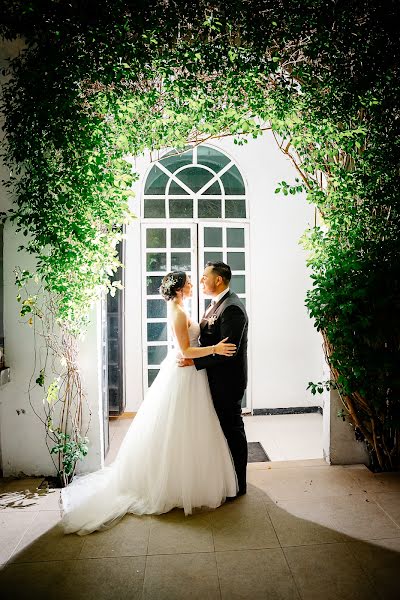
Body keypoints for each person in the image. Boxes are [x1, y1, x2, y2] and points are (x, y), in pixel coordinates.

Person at [61, 270, 238, 535]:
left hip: (192, 373)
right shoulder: (177, 312)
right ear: (179, 288)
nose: (193, 284)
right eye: (190, 282)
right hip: (184, 373)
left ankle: (185, 480)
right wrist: (214, 349)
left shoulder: (182, 306)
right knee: (179, 428)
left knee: (191, 428)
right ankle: (172, 485)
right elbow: (186, 350)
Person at [178, 262, 248, 496]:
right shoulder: (215, 304)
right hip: (214, 378)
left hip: (227, 381)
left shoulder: (232, 308)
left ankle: (239, 484)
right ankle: (225, 479)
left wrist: (194, 361)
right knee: (220, 431)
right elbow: (211, 345)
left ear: (218, 280)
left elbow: (228, 351)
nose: (200, 282)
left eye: (204, 277)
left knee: (232, 430)